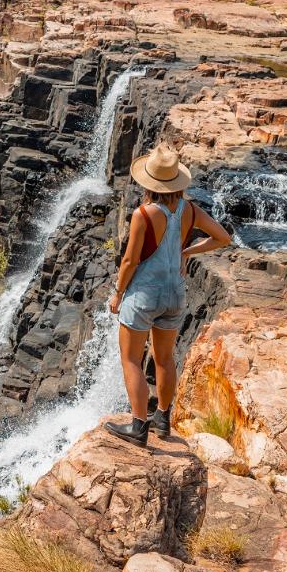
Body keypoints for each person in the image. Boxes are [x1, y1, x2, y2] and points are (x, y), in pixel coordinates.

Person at [105, 144, 232, 447]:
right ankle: (163, 418)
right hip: (175, 294)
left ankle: (137, 426)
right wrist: (186, 251)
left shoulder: (143, 214)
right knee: (164, 358)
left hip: (144, 295)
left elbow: (130, 261)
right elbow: (223, 237)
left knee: (131, 359)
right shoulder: (190, 209)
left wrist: (118, 294)